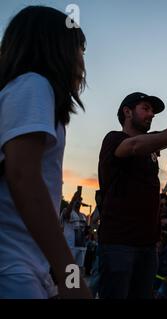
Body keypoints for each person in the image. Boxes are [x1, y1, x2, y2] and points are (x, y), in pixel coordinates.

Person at [0, 6, 91, 299]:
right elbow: (23, 176)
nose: (82, 60)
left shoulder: (20, 90)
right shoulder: (34, 86)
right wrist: (69, 274)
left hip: (24, 267)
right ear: (56, 48)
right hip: (15, 269)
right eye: (79, 49)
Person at [97, 92, 167, 299]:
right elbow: (134, 145)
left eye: (153, 111)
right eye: (146, 108)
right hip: (119, 244)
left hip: (148, 247)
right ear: (127, 112)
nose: (151, 114)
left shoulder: (150, 147)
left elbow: (161, 137)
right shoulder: (115, 139)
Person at [60, 191, 88, 273]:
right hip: (70, 246)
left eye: (80, 200)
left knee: (78, 272)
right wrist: (73, 199)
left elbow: (85, 231)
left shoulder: (83, 216)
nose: (78, 202)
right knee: (69, 270)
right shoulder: (68, 211)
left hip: (81, 247)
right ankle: (67, 285)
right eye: (77, 200)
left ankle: (74, 285)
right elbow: (66, 214)